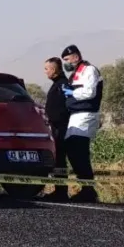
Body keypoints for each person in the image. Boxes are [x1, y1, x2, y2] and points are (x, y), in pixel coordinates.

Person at [60, 44, 102, 202]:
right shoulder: (75, 73)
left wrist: (73, 93)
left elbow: (90, 92)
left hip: (86, 114)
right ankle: (84, 186)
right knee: (72, 150)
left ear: (76, 57)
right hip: (75, 115)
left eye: (67, 59)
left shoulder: (89, 70)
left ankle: (88, 190)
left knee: (79, 151)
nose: (66, 63)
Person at [43, 57, 72, 201]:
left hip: (61, 128)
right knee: (58, 160)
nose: (45, 72)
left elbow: (66, 106)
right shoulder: (57, 84)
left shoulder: (63, 85)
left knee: (60, 159)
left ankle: (61, 191)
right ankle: (59, 189)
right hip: (56, 127)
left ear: (53, 70)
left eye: (46, 69)